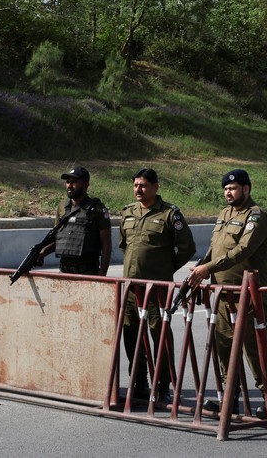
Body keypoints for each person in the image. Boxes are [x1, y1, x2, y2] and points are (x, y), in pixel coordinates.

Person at [186, 169, 267, 419]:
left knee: (252, 347)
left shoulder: (256, 216)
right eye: (226, 188)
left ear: (246, 189)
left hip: (247, 294)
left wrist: (209, 267)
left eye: (234, 188)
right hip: (223, 292)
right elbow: (214, 248)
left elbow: (242, 250)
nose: (228, 192)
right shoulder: (225, 214)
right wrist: (200, 266)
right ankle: (230, 397)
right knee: (224, 344)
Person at [119, 168, 196, 403]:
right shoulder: (127, 213)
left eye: (143, 185)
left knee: (159, 334)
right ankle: (139, 381)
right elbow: (125, 245)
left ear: (155, 187)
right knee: (131, 333)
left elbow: (187, 248)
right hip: (132, 287)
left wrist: (165, 269)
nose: (138, 190)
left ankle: (163, 383)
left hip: (157, 289)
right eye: (135, 185)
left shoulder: (169, 214)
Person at [38, 166, 111, 276]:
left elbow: (106, 246)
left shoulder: (97, 209)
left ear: (86, 184)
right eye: (68, 182)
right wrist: (43, 252)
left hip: (88, 272)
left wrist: (102, 276)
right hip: (64, 271)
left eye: (74, 182)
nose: (69, 186)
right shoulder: (62, 207)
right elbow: (59, 239)